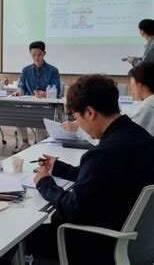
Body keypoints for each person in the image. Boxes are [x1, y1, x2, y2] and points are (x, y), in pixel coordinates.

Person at [27, 75, 154, 263]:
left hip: (99, 244)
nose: (81, 126)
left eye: (77, 118)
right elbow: (101, 178)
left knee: (24, 238)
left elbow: (74, 209)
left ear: (89, 113)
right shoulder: (138, 136)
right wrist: (58, 167)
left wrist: (44, 183)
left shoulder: (103, 153)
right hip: (135, 240)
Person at [62, 62, 154, 137]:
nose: (131, 86)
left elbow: (122, 136)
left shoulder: (147, 107)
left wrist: (79, 128)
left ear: (140, 83)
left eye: (131, 82)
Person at [12, 41, 61, 150]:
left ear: (44, 54)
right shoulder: (26, 70)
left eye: (39, 54)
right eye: (33, 55)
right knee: (17, 114)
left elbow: (57, 90)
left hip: (46, 106)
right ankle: (25, 143)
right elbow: (22, 87)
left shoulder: (53, 70)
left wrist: (45, 94)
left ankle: (40, 144)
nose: (36, 58)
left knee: (40, 115)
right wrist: (19, 92)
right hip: (29, 105)